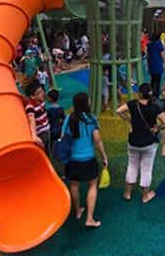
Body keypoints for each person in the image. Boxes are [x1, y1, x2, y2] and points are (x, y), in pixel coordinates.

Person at [116, 83, 165, 204]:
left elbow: (118, 111)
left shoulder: (133, 104)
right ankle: (145, 196)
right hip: (149, 143)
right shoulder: (155, 107)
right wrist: (157, 128)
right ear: (150, 95)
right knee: (146, 169)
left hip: (133, 141)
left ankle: (127, 193)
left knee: (132, 165)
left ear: (140, 93)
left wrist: (129, 119)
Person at [61, 93, 108, 228]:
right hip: (88, 159)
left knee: (74, 185)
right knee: (92, 185)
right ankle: (89, 218)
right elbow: (97, 140)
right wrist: (104, 156)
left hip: (72, 160)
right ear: (86, 103)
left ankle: (77, 211)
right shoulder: (91, 119)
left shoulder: (69, 118)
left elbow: (63, 136)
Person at [24, 82, 50, 153]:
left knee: (47, 148)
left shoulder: (41, 101)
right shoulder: (30, 106)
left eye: (42, 91)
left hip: (47, 130)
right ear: (32, 96)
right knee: (43, 151)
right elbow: (31, 119)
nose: (42, 93)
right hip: (41, 134)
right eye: (39, 93)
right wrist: (34, 135)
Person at [146, 32, 165, 99]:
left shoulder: (149, 45)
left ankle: (151, 94)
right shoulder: (158, 43)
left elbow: (148, 56)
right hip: (158, 64)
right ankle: (156, 95)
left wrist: (147, 65)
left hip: (151, 64)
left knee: (152, 80)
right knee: (158, 81)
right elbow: (162, 55)